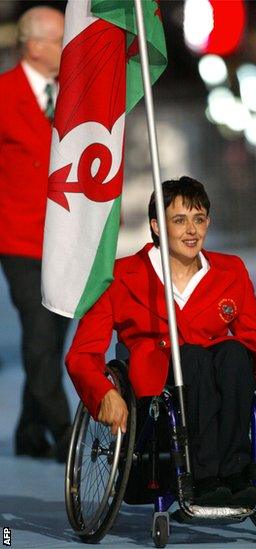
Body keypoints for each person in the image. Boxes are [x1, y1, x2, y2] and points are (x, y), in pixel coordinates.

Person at [66, 176, 256, 506]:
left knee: (235, 352)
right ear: (157, 226)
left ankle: (236, 474)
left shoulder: (230, 272)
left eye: (199, 219)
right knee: (190, 358)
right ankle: (202, 480)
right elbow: (82, 354)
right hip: (156, 394)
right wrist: (103, 392)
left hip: (217, 381)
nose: (192, 230)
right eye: (179, 220)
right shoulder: (120, 277)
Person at [0, 6, 71, 461]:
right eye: (62, 39)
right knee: (40, 340)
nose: (69, 48)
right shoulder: (3, 95)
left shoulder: (74, 96)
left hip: (66, 239)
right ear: (35, 45)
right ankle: (68, 437)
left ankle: (29, 433)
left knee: (52, 339)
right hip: (19, 240)